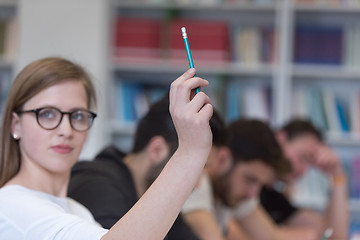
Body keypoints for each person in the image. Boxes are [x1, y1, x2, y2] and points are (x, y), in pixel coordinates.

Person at [0, 57, 213, 239]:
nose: (66, 130)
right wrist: (190, 150)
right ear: (15, 125)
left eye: (78, 116)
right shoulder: (9, 205)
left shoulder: (77, 210)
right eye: (47, 114)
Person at [68, 94, 199, 239]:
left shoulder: (152, 191)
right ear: (157, 150)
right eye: (196, 167)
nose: (197, 183)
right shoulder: (96, 185)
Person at [182, 117, 293, 240]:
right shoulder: (196, 182)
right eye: (250, 180)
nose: (253, 194)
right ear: (222, 159)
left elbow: (273, 238)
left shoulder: (229, 189)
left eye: (260, 184)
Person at [260, 118, 349, 240]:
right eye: (303, 158)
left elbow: (333, 236)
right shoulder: (251, 189)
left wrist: (337, 176)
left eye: (310, 164)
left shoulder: (273, 198)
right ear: (280, 138)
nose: (304, 171)